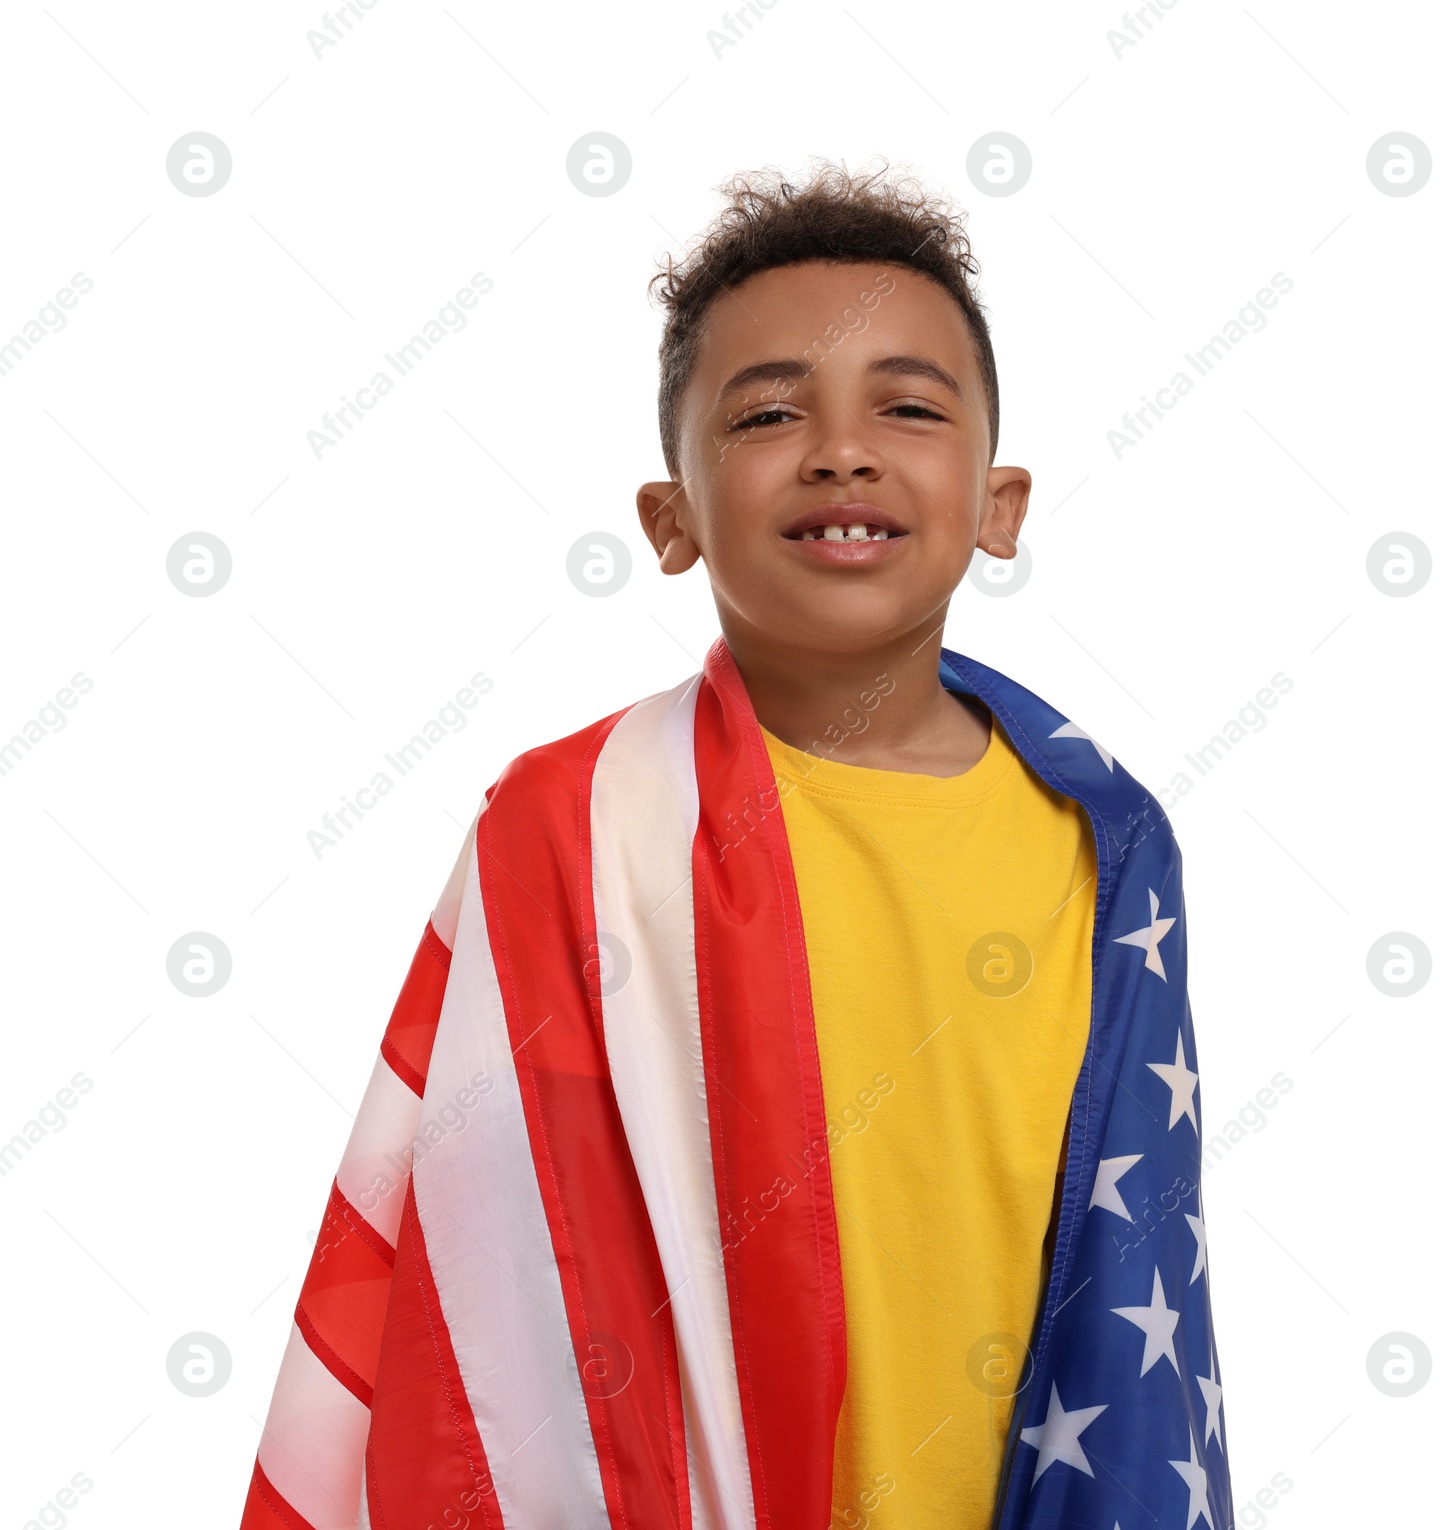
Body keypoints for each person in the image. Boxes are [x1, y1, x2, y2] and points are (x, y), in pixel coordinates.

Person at [240, 160, 1231, 1530]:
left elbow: (1142, 1283)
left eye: (906, 404)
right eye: (769, 412)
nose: (841, 448)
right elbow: (480, 1247)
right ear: (672, 520)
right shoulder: (570, 823)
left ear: (999, 504)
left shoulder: (1109, 844)